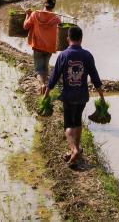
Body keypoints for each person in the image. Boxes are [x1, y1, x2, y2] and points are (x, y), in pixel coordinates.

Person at [43, 25, 104, 168]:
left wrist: (46, 95)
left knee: (68, 125)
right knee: (77, 122)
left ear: (67, 39)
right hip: (82, 96)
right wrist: (102, 97)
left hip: (68, 96)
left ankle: (74, 150)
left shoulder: (63, 55)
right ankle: (76, 149)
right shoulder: (87, 55)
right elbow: (95, 78)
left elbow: (53, 78)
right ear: (81, 39)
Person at [24, 0, 61, 93]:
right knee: (45, 67)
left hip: (38, 46)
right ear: (53, 6)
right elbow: (60, 29)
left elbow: (25, 26)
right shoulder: (56, 18)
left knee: (38, 69)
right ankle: (44, 87)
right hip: (49, 47)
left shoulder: (35, 14)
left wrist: (27, 15)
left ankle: (42, 85)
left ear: (44, 4)